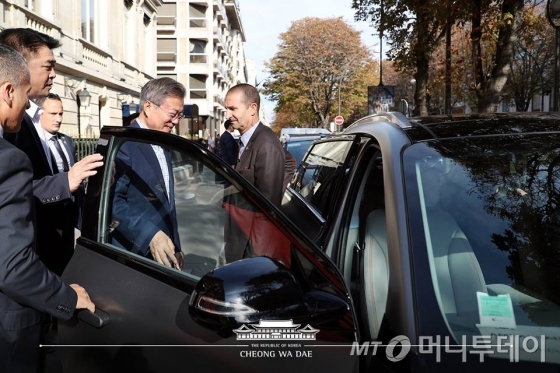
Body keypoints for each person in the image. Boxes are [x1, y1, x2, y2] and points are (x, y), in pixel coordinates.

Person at [0, 43, 95, 373]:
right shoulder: (8, 157)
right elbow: (12, 267)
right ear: (9, 90)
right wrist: (67, 297)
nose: (28, 106)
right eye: (24, 95)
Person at [0, 28, 104, 276]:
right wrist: (64, 182)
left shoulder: (33, 117)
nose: (54, 74)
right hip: (24, 264)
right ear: (19, 65)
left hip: (56, 252)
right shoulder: (13, 123)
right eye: (48, 66)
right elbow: (13, 190)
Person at [111, 77, 185, 270]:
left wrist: (176, 244)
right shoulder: (124, 144)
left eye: (180, 115)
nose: (176, 121)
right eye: (172, 114)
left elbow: (168, 202)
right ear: (148, 107)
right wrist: (149, 234)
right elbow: (112, 203)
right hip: (134, 256)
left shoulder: (164, 141)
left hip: (164, 253)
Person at [36, 92, 85, 269]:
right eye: (52, 114)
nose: (58, 118)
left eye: (61, 113)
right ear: (39, 113)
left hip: (68, 219)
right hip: (45, 219)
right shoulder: (35, 143)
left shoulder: (67, 141)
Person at [225, 83, 285, 207]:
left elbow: (267, 207)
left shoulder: (266, 145)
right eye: (226, 109)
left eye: (233, 109)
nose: (227, 115)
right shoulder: (248, 140)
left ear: (252, 108)